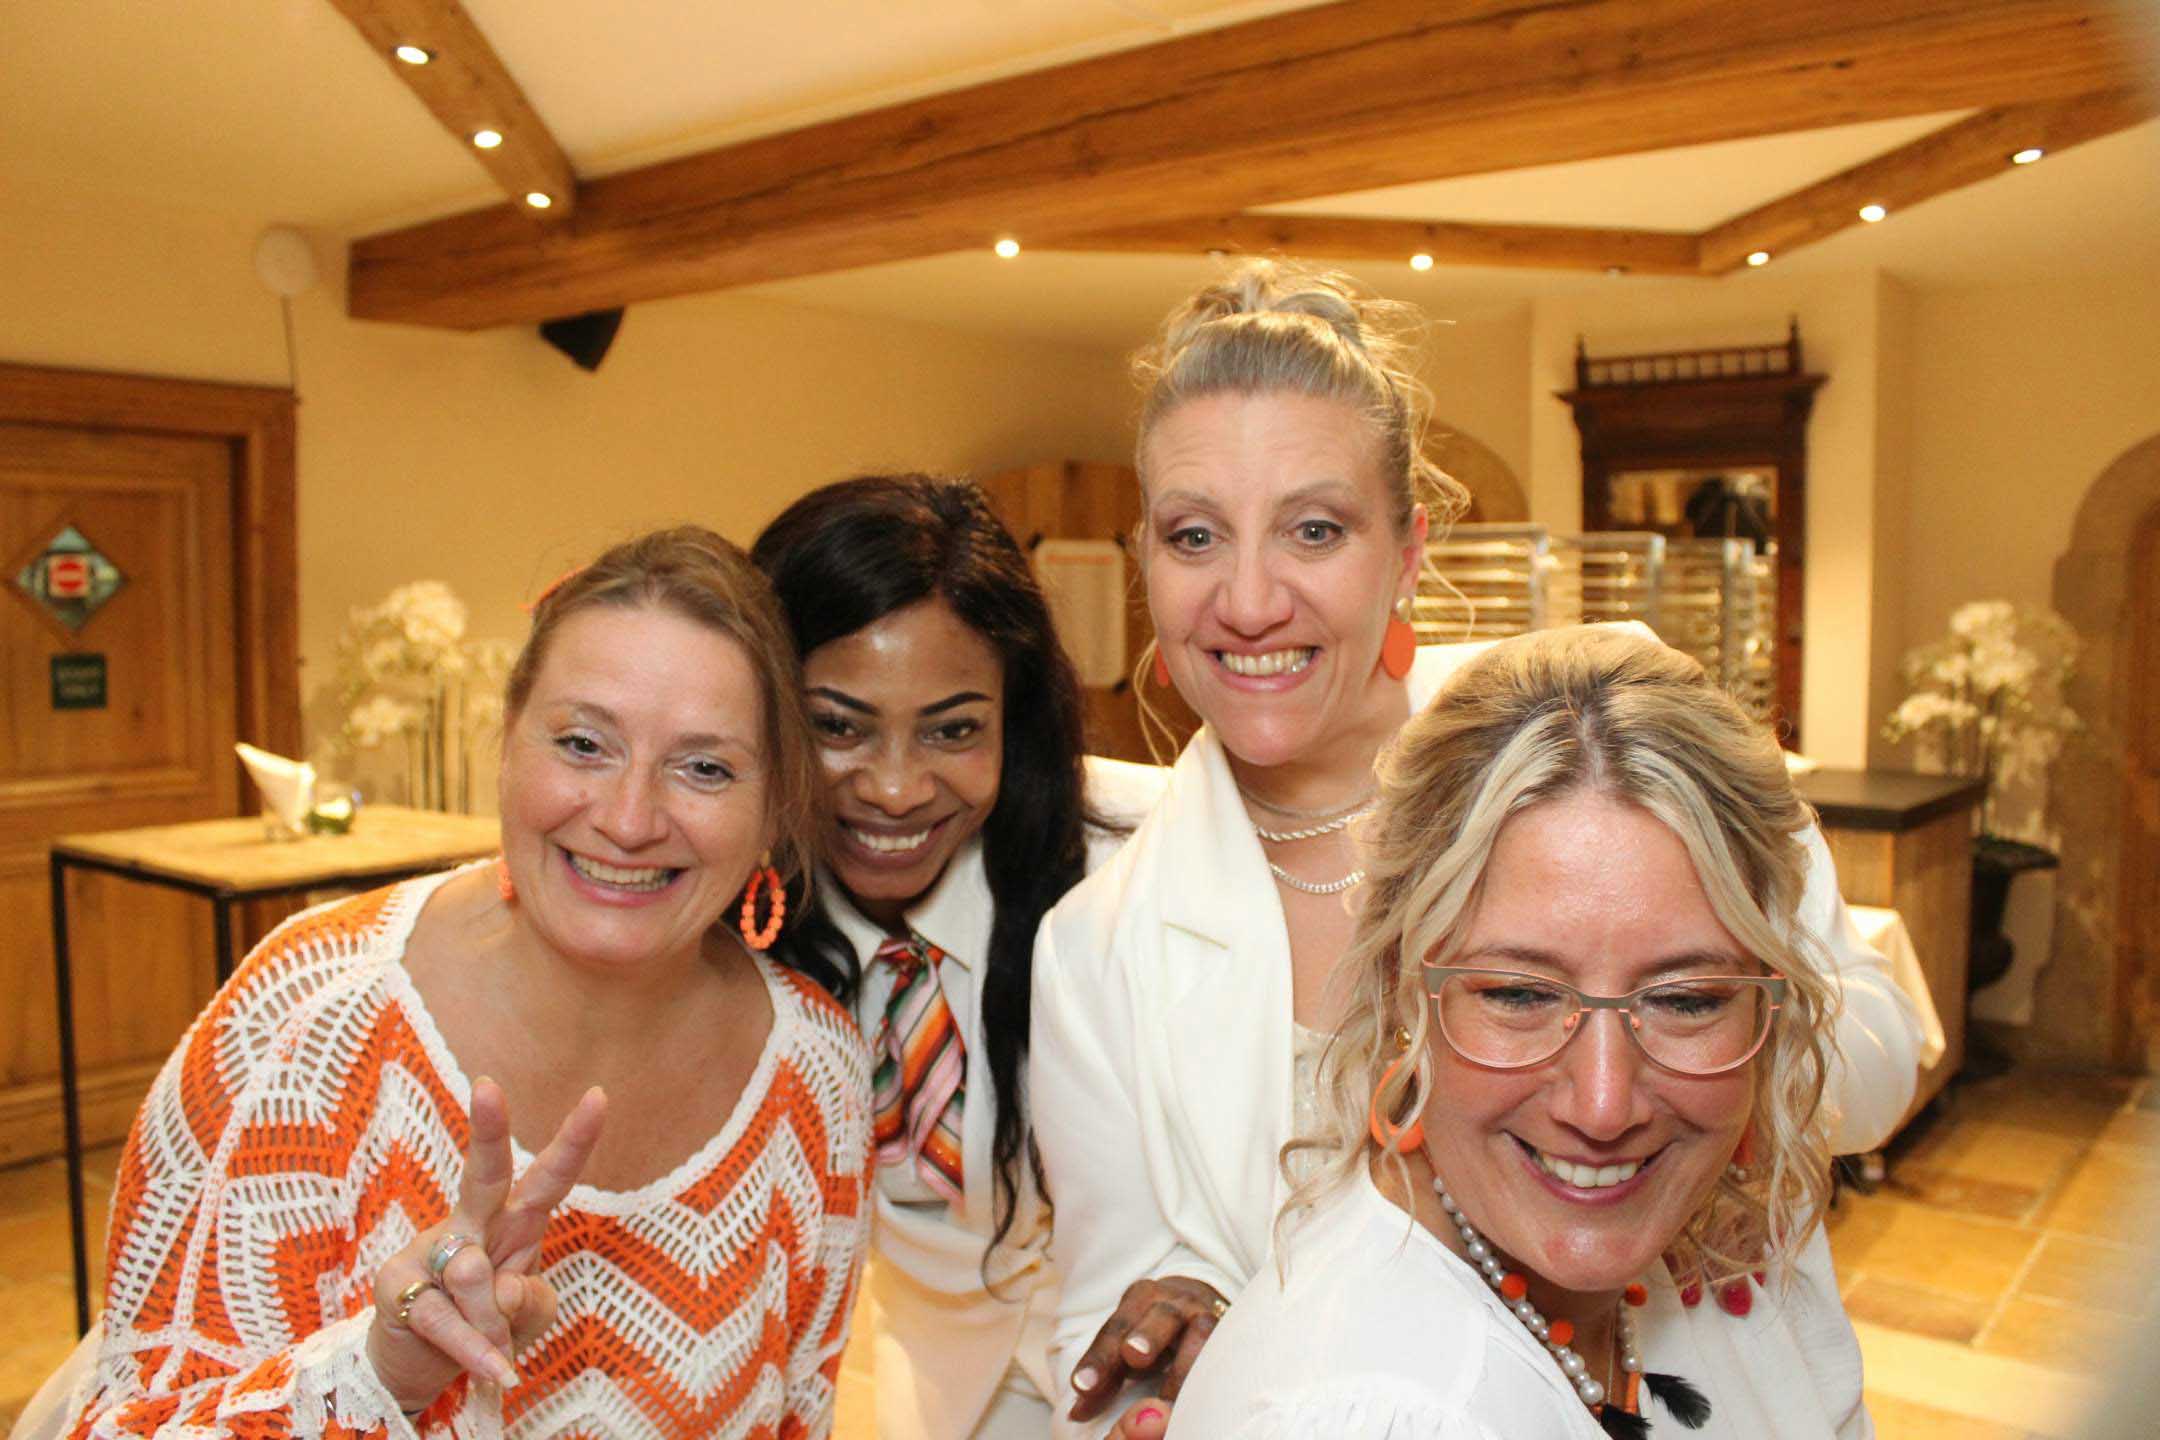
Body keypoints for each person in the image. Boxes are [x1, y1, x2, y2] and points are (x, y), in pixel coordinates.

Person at [1029, 260, 1921, 1439]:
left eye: (1313, 529)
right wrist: (1188, 1328)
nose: (1248, 601)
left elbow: (1876, 1053)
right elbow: (1099, 1331)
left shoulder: (1611, 727)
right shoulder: (1097, 946)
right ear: (1144, 557)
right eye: (1195, 536)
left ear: (1408, 550)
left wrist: (1691, 1088)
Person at [66, 528, 872, 1439]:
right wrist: (383, 1375)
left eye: (705, 768)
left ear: (774, 810)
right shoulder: (305, 1022)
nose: (629, 818)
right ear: (507, 744)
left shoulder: (814, 1075)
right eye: (583, 744)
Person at [1167, 625, 1864, 1438]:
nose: (1603, 1105)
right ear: (1401, 990)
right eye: (1519, 994)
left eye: (1686, 1001)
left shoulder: (1741, 1269)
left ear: (1769, 1009)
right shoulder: (1386, 1414)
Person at [752, 477, 1163, 1440]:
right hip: (937, 1397)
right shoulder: (731, 927)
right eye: (837, 725)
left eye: (953, 729)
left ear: (1014, 719)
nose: (896, 790)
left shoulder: (1147, 868)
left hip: (1165, 1385)